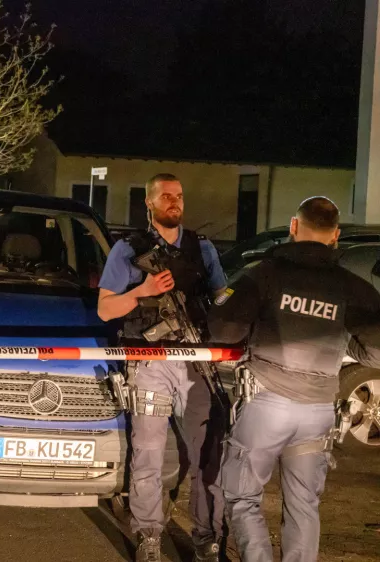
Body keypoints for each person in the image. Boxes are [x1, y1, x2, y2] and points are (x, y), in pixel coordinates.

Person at [209, 196, 380, 562]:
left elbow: (222, 327)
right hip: (318, 411)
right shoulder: (349, 285)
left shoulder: (266, 273)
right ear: (335, 236)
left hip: (267, 404)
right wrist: (345, 342)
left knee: (242, 497)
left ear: (293, 227)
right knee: (304, 505)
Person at [96, 173, 229, 562]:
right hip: (150, 361)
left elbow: (223, 303)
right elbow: (106, 308)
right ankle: (149, 534)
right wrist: (143, 292)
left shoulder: (202, 249)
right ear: (149, 204)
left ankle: (206, 535)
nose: (175, 202)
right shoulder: (127, 250)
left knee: (206, 452)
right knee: (149, 451)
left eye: (180, 196)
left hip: (195, 361)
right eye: (166, 196)